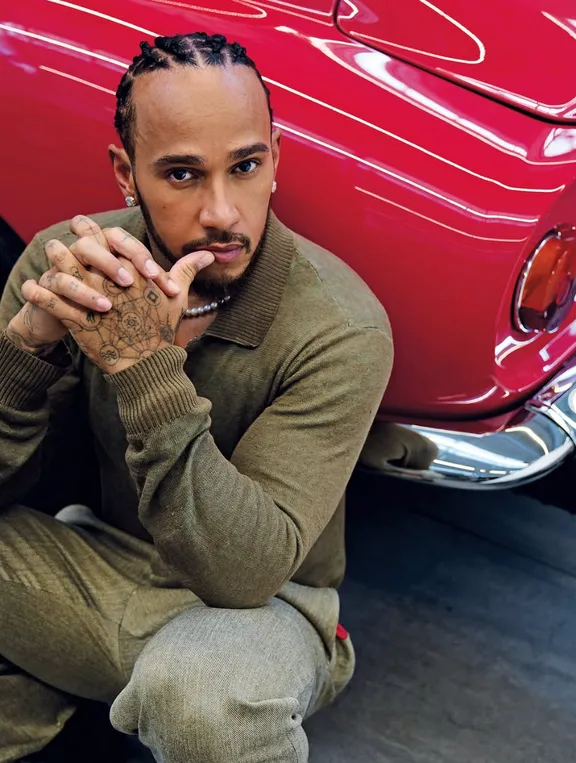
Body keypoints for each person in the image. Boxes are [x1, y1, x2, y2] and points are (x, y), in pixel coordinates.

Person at [0, 32, 393, 763]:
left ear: (276, 159)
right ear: (126, 173)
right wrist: (24, 357)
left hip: (261, 610)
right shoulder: (67, 269)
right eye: (182, 174)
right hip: (97, 559)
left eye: (245, 166)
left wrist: (143, 365)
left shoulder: (342, 327)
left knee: (202, 697)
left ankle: (65, 685)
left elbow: (245, 571)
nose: (222, 212)